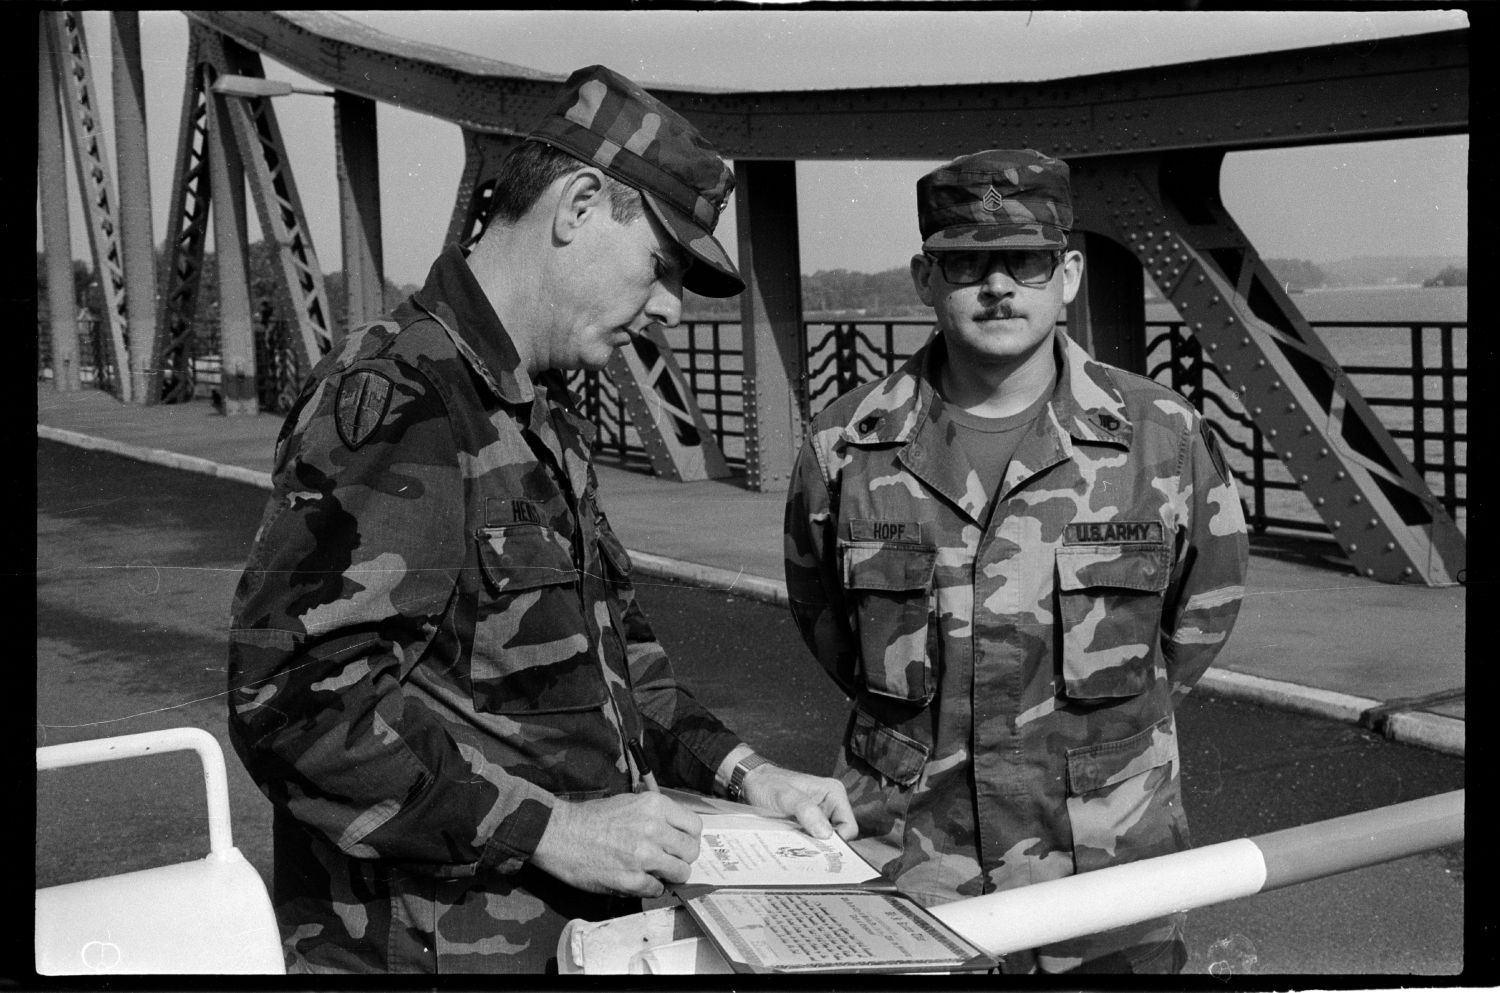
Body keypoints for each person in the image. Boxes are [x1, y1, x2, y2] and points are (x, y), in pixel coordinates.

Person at [227, 64, 854, 975]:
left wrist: (748, 774)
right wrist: (554, 829)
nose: (668, 308)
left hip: (555, 943)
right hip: (429, 949)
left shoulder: (535, 410)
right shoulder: (402, 397)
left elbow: (611, 666)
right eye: (662, 262)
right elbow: (290, 705)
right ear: (580, 204)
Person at [783, 148, 1249, 974]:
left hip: (1107, 864)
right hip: (917, 858)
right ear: (926, 278)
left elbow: (1200, 614)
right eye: (966, 262)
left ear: (1067, 274)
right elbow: (825, 620)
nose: (998, 285)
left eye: (1025, 261)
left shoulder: (1162, 438)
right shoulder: (845, 446)